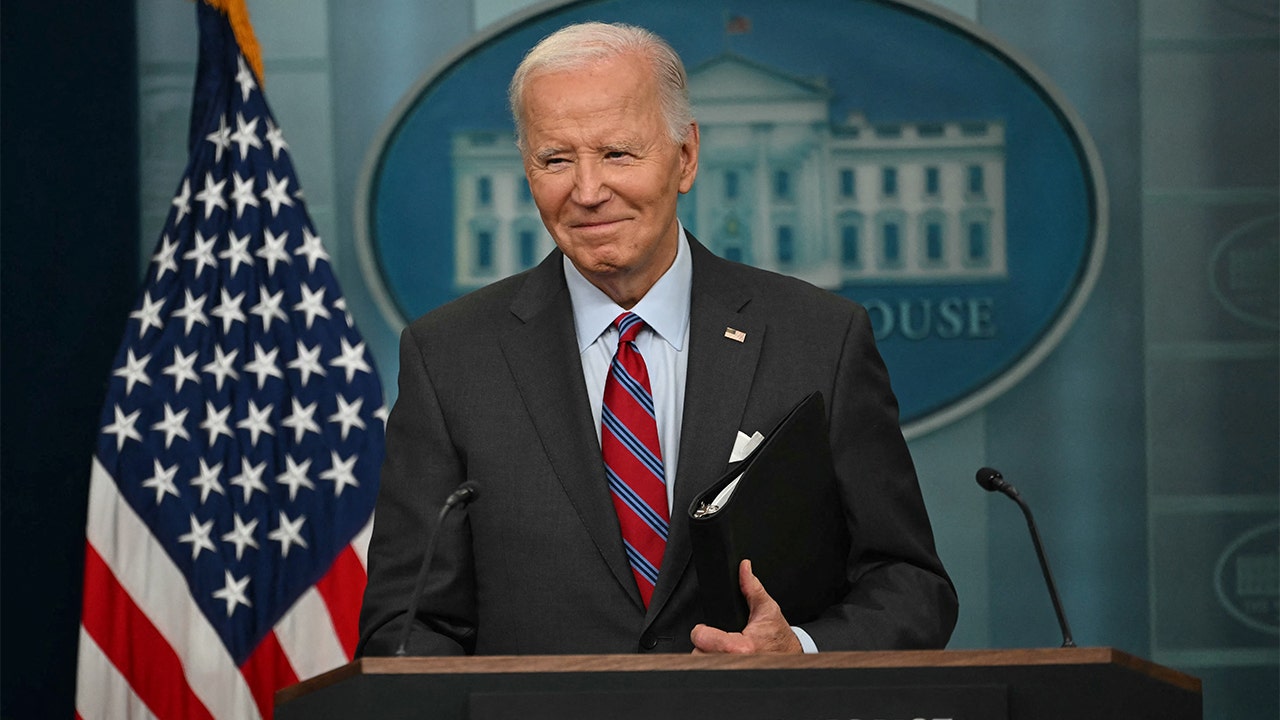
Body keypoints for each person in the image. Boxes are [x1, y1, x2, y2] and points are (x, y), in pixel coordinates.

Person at [357, 21, 957, 657]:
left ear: (686, 157)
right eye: (556, 160)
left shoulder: (820, 339)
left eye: (618, 154)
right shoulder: (449, 359)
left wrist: (801, 651)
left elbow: (910, 585)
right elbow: (408, 625)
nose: (587, 192)